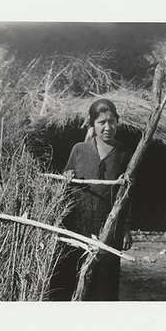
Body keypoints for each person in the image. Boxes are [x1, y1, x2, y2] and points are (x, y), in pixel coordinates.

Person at [50, 98, 137, 301]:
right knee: (76, 275)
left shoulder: (125, 154)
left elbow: (129, 194)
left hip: (109, 226)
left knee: (105, 282)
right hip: (79, 223)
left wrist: (126, 227)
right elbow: (67, 178)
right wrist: (67, 176)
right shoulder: (79, 149)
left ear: (118, 121)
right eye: (101, 122)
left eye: (112, 121)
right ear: (92, 124)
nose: (108, 127)